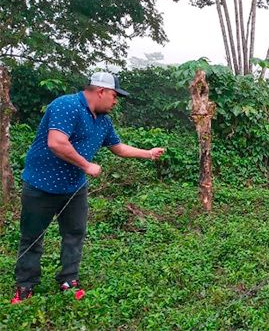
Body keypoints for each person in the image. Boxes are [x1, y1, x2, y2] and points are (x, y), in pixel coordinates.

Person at [11, 72, 165, 304]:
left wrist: (148, 153)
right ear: (100, 91)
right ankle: (25, 285)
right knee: (32, 236)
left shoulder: (103, 120)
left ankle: (68, 280)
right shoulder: (66, 105)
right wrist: (86, 165)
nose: (116, 101)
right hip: (41, 185)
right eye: (114, 96)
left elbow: (118, 147)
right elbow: (56, 142)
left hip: (73, 188)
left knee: (74, 234)